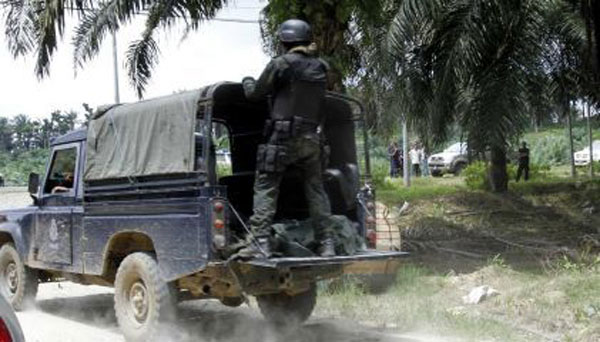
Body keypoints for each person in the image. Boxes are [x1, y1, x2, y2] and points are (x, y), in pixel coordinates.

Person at [240, 19, 335, 258]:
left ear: (284, 42)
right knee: (316, 191)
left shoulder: (281, 64)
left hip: (282, 139)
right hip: (312, 141)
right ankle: (327, 243)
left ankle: (261, 242)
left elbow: (254, 93)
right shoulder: (322, 67)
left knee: (265, 187)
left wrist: (247, 80)